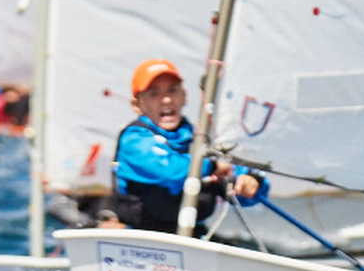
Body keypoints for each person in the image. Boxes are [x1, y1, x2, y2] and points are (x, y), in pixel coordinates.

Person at [106, 59, 263, 232]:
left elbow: (235, 172)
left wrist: (250, 182)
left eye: (172, 90)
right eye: (154, 93)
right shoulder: (134, 140)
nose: (166, 100)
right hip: (141, 238)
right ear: (137, 105)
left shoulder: (201, 138)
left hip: (193, 237)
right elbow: (170, 171)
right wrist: (212, 166)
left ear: (184, 96)